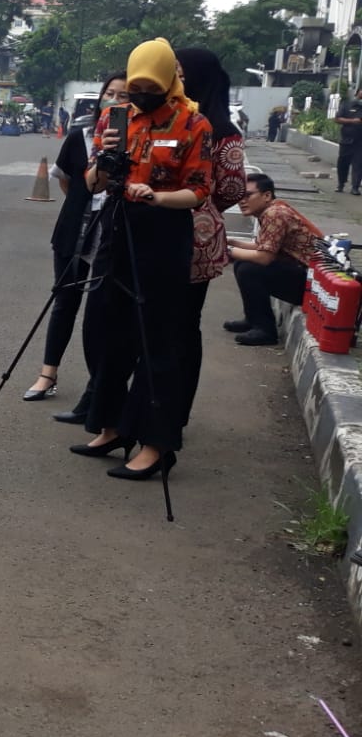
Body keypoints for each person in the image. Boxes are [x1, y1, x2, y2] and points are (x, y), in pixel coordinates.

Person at [75, 39, 213, 482]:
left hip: (163, 234)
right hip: (117, 227)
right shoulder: (116, 120)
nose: (140, 94)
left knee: (159, 341)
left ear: (170, 81)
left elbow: (200, 191)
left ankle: (156, 444)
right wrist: (105, 158)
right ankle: (111, 427)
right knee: (105, 329)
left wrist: (157, 196)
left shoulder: (194, 123)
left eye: (150, 86)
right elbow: (94, 183)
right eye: (134, 86)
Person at [28, 72, 127, 409]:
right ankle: (47, 374)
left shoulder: (138, 140)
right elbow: (67, 182)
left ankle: (97, 389)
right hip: (74, 230)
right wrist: (85, 204)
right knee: (64, 301)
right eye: (110, 93)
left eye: (124, 95)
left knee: (102, 313)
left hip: (114, 234)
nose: (115, 100)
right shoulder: (78, 137)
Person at [176, 47, 247, 425]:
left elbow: (234, 189)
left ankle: (177, 414)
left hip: (196, 242)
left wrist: (200, 204)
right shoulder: (170, 121)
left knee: (184, 327)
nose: (176, 81)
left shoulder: (222, 132)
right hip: (156, 234)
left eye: (181, 74)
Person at [223, 175, 323, 346]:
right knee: (242, 264)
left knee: (249, 269)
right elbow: (261, 246)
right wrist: (230, 242)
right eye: (240, 196)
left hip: (313, 285)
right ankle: (253, 319)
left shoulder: (275, 214)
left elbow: (264, 257)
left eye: (248, 195)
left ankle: (265, 330)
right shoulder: (272, 210)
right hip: (303, 275)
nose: (242, 201)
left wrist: (228, 251)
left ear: (267, 196)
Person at [336, 87, 362, 195]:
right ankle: (341, 184)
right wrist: (352, 121)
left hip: (360, 142)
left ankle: (355, 187)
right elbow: (337, 119)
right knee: (343, 163)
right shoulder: (347, 105)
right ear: (357, 93)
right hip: (347, 140)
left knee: (359, 164)